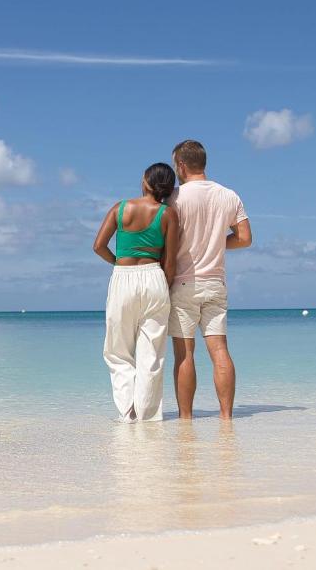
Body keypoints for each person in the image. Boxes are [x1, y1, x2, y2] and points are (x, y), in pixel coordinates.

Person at [167, 140, 252, 420]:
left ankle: (186, 419)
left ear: (181, 165)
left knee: (185, 355)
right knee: (219, 351)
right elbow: (244, 238)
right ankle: (226, 417)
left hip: (182, 283)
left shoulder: (174, 198)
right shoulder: (229, 195)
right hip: (216, 283)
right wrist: (216, 242)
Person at [93, 163, 180, 422]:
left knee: (118, 350)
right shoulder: (167, 214)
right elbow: (171, 262)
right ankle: (148, 416)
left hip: (123, 277)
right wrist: (165, 288)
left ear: (145, 181)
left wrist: (119, 263)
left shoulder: (120, 208)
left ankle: (126, 412)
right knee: (151, 354)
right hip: (155, 277)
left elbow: (98, 246)